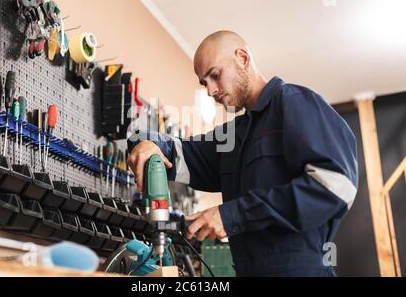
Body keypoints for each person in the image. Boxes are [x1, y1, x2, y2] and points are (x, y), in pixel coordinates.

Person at [127, 31, 358, 277]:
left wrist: (231, 215)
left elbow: (337, 187)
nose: (211, 91)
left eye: (215, 75)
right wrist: (142, 143)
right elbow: (176, 152)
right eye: (204, 83)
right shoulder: (234, 136)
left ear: (243, 58)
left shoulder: (295, 103)